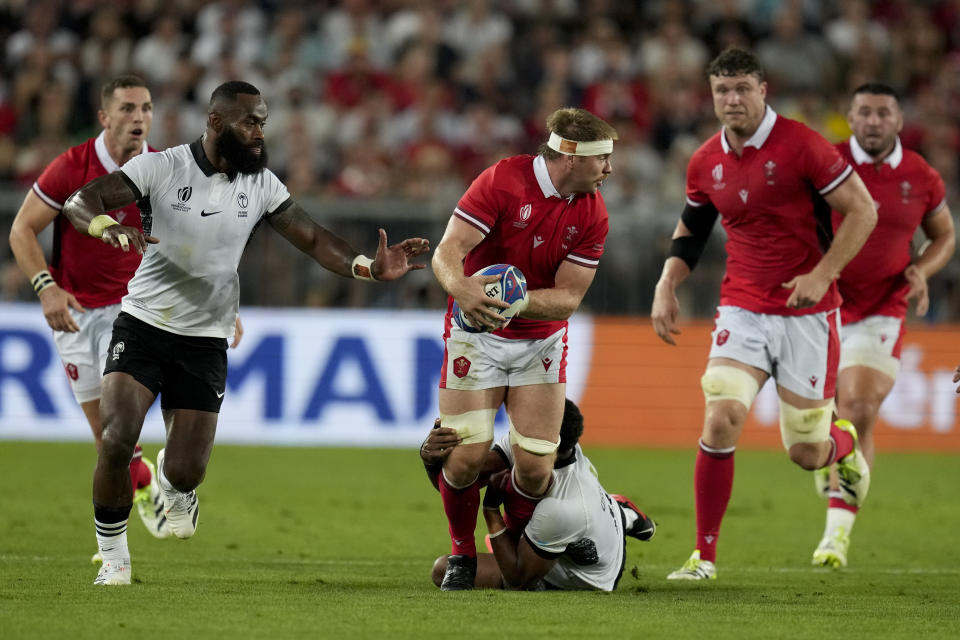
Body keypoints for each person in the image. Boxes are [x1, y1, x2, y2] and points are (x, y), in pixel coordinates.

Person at [58, 80, 430, 586]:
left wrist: (368, 266)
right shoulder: (162, 168)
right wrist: (105, 226)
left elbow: (316, 239)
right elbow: (83, 200)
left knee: (189, 471)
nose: (259, 133)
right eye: (249, 122)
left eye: (262, 122)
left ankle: (174, 481)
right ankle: (115, 559)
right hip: (142, 323)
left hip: (205, 338)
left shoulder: (263, 185)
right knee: (117, 438)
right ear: (215, 122)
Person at [650, 48, 878, 580]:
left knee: (806, 452)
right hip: (743, 308)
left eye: (742, 89)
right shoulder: (705, 159)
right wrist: (666, 283)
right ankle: (703, 557)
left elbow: (864, 210)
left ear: (762, 90)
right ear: (711, 96)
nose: (732, 100)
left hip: (809, 314)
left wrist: (822, 274)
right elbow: (693, 230)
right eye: (721, 91)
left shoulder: (804, 146)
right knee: (721, 416)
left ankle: (843, 447)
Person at [431, 107, 616, 590]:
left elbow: (569, 297)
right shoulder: (501, 181)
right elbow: (447, 252)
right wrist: (465, 289)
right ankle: (462, 555)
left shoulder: (593, 211)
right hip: (477, 336)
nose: (610, 170)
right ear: (570, 157)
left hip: (540, 341)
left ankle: (512, 539)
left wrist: (517, 302)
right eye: (603, 159)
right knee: (464, 456)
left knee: (535, 468)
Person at [7, 75, 175, 556]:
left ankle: (114, 552)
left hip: (135, 311)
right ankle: (145, 483)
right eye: (127, 109)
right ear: (104, 117)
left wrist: (222, 304)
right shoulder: (72, 167)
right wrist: (47, 288)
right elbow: (22, 231)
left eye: (145, 108)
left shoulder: (162, 170)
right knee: (110, 447)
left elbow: (190, 247)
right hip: (77, 313)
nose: (138, 117)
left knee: (118, 438)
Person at [810, 83, 955, 568]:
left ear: (898, 120)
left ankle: (836, 535)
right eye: (865, 112)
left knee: (859, 405)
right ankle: (830, 449)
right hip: (818, 306)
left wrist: (921, 269)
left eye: (883, 113)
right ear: (850, 117)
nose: (873, 121)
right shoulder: (821, 163)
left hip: (882, 309)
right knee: (815, 424)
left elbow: (944, 237)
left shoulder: (921, 175)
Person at [421, 399, 656, 591]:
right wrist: (435, 462)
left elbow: (517, 579)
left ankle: (617, 512)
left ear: (549, 439)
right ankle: (622, 512)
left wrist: (491, 511)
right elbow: (461, 485)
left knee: (442, 569)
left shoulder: (560, 508)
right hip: (583, 521)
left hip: (586, 576)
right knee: (523, 522)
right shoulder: (543, 444)